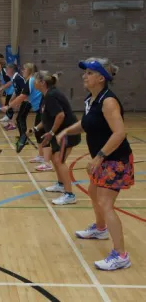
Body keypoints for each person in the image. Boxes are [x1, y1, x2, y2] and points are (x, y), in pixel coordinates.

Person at [57, 57, 133, 270]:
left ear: (101, 77)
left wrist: (99, 157)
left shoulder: (108, 101)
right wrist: (66, 130)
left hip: (115, 159)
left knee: (107, 204)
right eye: (85, 72)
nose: (85, 75)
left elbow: (120, 133)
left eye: (89, 73)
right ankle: (100, 228)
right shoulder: (92, 100)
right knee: (93, 192)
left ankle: (121, 255)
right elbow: (87, 123)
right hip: (103, 159)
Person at [31, 70, 81, 205]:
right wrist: (35, 128)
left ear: (42, 83)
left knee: (59, 160)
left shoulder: (51, 96)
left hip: (67, 134)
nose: (33, 83)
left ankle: (70, 195)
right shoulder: (46, 94)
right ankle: (60, 184)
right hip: (60, 134)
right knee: (54, 158)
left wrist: (51, 132)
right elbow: (47, 117)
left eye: (34, 80)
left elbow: (60, 115)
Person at [0, 54, 14, 123]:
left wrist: (0, 89)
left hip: (12, 89)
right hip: (8, 90)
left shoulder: (4, 71)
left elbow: (10, 82)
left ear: (0, 64)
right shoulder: (1, 71)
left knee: (8, 103)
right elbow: (4, 80)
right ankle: (8, 117)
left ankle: (9, 119)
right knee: (7, 103)